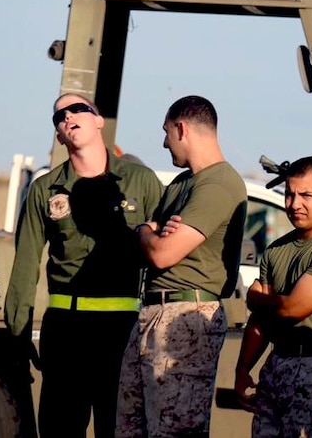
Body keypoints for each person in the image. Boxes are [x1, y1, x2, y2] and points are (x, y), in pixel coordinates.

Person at [4, 94, 164, 438]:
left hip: (123, 332)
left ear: (98, 120)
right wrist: (17, 335)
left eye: (78, 109)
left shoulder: (140, 181)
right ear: (60, 136)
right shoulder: (45, 190)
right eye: (59, 116)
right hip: (66, 334)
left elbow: (164, 255)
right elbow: (25, 266)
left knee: (120, 429)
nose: (68, 116)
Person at [116, 95, 248, 437]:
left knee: (174, 430)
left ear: (181, 128)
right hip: (154, 311)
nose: (163, 142)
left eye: (166, 132)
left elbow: (161, 254)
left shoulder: (218, 183)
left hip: (185, 318)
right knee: (131, 427)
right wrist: (150, 234)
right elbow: (149, 246)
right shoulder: (181, 184)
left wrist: (146, 230)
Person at [233, 157, 312, 437]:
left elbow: (293, 309)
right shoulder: (276, 250)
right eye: (289, 194)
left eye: (306, 195)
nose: (294, 204)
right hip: (277, 365)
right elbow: (261, 322)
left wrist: (257, 299)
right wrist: (243, 368)